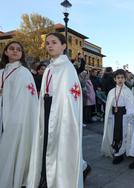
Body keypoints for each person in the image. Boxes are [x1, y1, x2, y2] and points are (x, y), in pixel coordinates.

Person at [27, 32, 84, 188]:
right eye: (47, 43)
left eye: (54, 42)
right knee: (46, 141)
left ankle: (56, 178)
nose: (50, 45)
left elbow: (70, 95)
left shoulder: (67, 68)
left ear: (64, 46)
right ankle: (45, 175)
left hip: (60, 110)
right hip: (46, 108)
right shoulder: (50, 67)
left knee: (58, 142)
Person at [0, 41, 38, 188]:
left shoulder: (24, 72)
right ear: (6, 52)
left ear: (22, 54)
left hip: (18, 118)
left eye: (18, 49)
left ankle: (18, 176)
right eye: (11, 49)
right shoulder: (2, 72)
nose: (15, 51)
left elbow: (27, 98)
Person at [101, 69, 134, 164]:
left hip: (123, 115)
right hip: (114, 115)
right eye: (118, 78)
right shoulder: (112, 91)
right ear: (115, 79)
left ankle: (120, 152)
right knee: (114, 132)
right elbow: (109, 105)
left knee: (121, 132)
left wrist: (129, 115)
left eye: (122, 78)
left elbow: (130, 104)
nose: (120, 80)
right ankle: (115, 149)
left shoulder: (127, 91)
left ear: (125, 79)